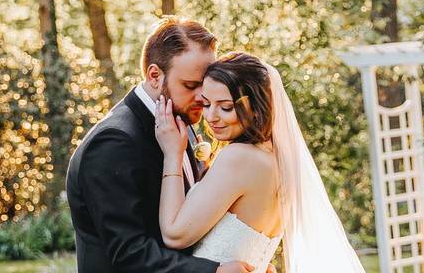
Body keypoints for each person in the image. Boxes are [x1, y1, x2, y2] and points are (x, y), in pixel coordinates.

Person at [65, 18, 255, 273]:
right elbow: (130, 253)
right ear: (155, 76)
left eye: (206, 83)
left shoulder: (180, 120)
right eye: (191, 85)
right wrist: (215, 271)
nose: (203, 96)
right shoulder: (113, 143)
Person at [154, 52, 366, 273]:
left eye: (226, 107)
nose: (211, 116)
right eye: (206, 104)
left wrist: (172, 155)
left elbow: (174, 235)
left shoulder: (239, 157)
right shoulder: (278, 160)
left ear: (256, 108)